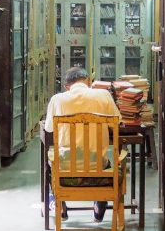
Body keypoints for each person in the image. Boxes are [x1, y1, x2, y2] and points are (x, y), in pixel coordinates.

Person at [44, 66, 121, 221]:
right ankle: (100, 203)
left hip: (65, 175)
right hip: (98, 172)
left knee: (50, 163)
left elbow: (48, 128)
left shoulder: (57, 99)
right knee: (108, 161)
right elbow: (117, 123)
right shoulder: (104, 95)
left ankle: (61, 206)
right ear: (89, 81)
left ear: (67, 86)